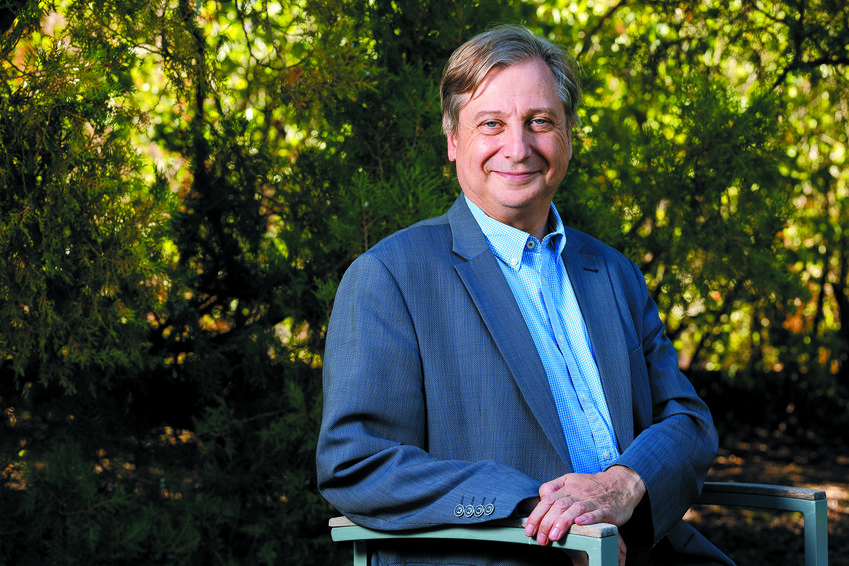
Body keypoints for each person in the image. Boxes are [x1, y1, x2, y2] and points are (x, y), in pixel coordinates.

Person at [316, 24, 734, 566]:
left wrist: (627, 482)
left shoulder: (613, 272)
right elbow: (357, 463)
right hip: (510, 554)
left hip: (646, 552)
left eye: (540, 121)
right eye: (491, 124)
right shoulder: (391, 277)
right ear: (453, 140)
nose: (517, 148)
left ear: (567, 136)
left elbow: (688, 420)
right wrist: (539, 511)